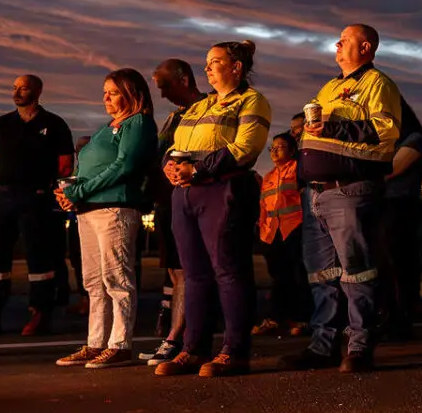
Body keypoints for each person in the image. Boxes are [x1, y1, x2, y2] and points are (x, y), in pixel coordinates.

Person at [289, 24, 404, 374]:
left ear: (366, 47)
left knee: (356, 271)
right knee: (322, 274)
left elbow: (387, 130)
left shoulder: (377, 84)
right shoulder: (330, 87)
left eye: (345, 40)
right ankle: (322, 345)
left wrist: (335, 128)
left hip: (348, 189)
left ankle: (359, 347)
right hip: (316, 194)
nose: (336, 45)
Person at [157, 41, 271, 377]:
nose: (206, 68)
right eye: (206, 62)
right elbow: (175, 145)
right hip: (186, 192)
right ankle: (194, 349)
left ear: (236, 67)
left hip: (223, 188)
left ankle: (235, 351)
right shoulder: (198, 106)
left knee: (229, 269)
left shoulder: (251, 101)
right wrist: (170, 166)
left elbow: (245, 147)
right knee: (194, 274)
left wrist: (199, 169)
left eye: (215, 62)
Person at [54, 69, 157, 369]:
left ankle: (120, 344)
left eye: (113, 92)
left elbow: (124, 165)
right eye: (104, 93)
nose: (106, 98)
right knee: (94, 281)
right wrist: (71, 191)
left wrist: (82, 189)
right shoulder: (106, 128)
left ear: (131, 93)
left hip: (115, 208)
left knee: (117, 278)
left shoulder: (137, 123)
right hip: (88, 209)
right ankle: (96, 342)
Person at [0, 74, 74, 337]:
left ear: (37, 91)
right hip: (3, 197)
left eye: (23, 88)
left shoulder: (54, 124)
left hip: (38, 198)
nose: (17, 92)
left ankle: (40, 312)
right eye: (14, 87)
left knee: (40, 258)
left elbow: (65, 165)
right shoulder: (1, 124)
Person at [142, 60, 203, 363]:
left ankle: (177, 339)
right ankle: (175, 334)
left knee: (185, 271)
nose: (162, 94)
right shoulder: (173, 117)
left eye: (165, 85)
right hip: (166, 201)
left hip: (191, 197)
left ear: (184, 78)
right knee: (173, 270)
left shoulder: (206, 109)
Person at [378, 94, 422, 342]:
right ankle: (388, 316)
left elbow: (392, 169)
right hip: (383, 204)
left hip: (400, 205)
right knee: (383, 265)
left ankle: (402, 319)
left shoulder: (415, 138)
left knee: (401, 264)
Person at [254, 133, 311, 337]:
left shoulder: (299, 170)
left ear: (292, 151)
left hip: (293, 229)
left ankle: (301, 319)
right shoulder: (268, 177)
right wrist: (262, 231)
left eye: (281, 146)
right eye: (272, 147)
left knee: (298, 275)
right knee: (279, 277)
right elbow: (263, 206)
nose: (275, 150)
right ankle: (278, 318)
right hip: (271, 234)